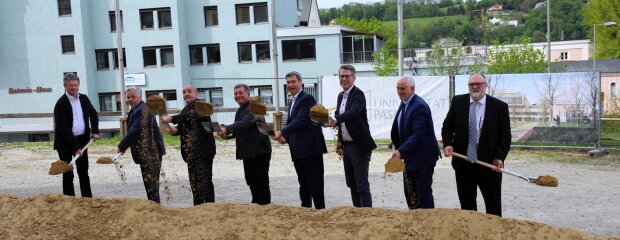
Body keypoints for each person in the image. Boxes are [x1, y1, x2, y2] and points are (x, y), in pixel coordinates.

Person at [441, 73, 511, 217]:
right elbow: (447, 127)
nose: (475, 86)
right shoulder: (458, 102)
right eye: (471, 84)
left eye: (478, 84)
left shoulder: (499, 107)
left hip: (489, 165)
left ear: (485, 85)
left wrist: (499, 157)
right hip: (463, 164)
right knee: (467, 208)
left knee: (493, 208)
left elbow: (505, 137)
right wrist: (448, 144)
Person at [274, 71, 327, 209]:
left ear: (300, 82)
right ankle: (305, 211)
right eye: (288, 82)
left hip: (311, 149)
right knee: (303, 184)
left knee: (315, 184)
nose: (290, 85)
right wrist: (286, 138)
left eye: (293, 82)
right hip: (298, 150)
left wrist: (282, 132)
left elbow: (302, 120)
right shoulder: (292, 100)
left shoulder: (307, 98)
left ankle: (321, 212)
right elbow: (295, 125)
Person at [328, 65, 376, 208]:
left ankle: (367, 216)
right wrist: (329, 122)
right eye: (341, 76)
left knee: (361, 184)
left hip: (359, 146)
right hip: (346, 146)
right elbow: (339, 118)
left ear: (353, 78)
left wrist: (336, 119)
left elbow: (354, 112)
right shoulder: (340, 96)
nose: (344, 79)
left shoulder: (358, 94)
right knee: (351, 183)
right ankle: (356, 215)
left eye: (347, 76)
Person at [390, 76, 441, 209]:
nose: (399, 91)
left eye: (402, 88)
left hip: (423, 158)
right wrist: (396, 144)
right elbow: (402, 128)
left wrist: (401, 150)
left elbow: (418, 134)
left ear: (412, 89)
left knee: (423, 197)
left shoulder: (419, 106)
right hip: (408, 157)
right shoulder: (404, 103)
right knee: (410, 195)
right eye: (397, 88)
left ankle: (428, 226)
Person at [217, 84, 272, 205]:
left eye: (240, 93)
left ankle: (265, 207)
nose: (238, 95)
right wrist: (228, 135)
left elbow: (245, 123)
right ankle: (256, 204)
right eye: (235, 93)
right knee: (251, 181)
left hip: (259, 151)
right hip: (248, 152)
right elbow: (240, 129)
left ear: (248, 94)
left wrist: (226, 128)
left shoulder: (254, 106)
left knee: (261, 182)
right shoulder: (240, 109)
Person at [162, 85, 216, 205]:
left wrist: (171, 118)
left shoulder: (202, 106)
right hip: (191, 153)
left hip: (204, 151)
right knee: (194, 182)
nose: (186, 93)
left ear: (196, 94)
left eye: (189, 91)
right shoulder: (185, 109)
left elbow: (192, 116)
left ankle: (210, 208)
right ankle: (197, 207)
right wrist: (173, 130)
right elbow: (179, 128)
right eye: (184, 92)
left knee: (205, 180)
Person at [53, 73, 99, 198]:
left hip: (83, 140)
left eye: (75, 85)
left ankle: (87, 199)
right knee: (68, 172)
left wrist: (95, 131)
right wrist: (76, 148)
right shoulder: (61, 104)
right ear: (65, 86)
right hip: (65, 143)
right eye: (70, 86)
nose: (73, 88)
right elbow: (63, 129)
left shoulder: (84, 98)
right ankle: (69, 200)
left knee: (83, 172)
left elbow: (93, 114)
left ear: (79, 85)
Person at [117, 87, 165, 203]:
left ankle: (155, 209)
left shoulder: (142, 110)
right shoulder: (136, 109)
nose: (130, 99)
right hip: (145, 151)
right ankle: (153, 207)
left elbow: (134, 130)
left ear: (140, 97)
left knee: (151, 184)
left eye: (133, 97)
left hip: (151, 151)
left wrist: (122, 146)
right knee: (149, 183)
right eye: (128, 97)